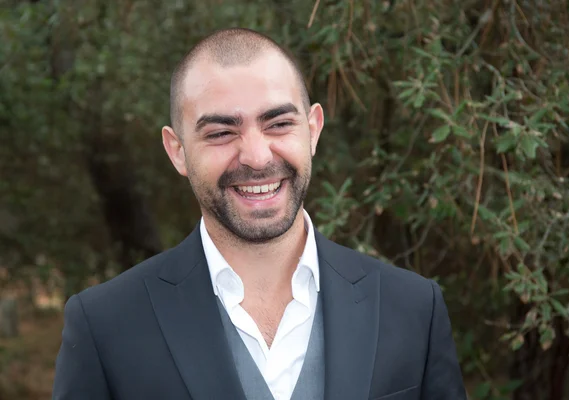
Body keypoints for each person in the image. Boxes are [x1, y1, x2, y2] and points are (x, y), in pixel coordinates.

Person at [52, 28, 467, 400]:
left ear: (313, 130)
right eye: (220, 133)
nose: (255, 156)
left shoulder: (414, 308)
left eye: (278, 123)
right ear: (177, 151)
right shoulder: (104, 326)